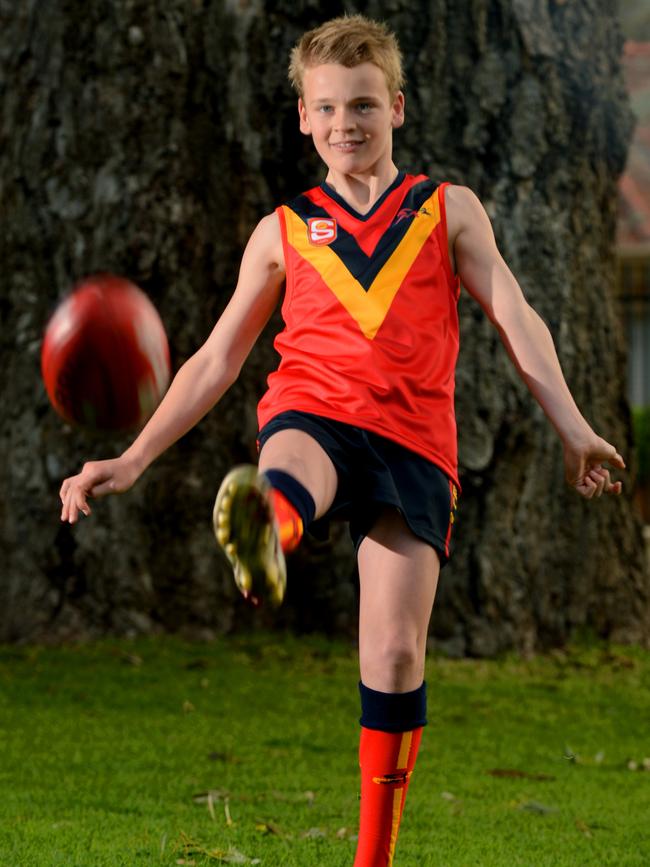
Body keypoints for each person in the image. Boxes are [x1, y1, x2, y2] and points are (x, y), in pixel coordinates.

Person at [59, 14, 625, 866]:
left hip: (414, 444)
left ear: (397, 107)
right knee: (289, 463)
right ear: (303, 118)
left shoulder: (448, 210)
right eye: (326, 109)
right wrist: (132, 457)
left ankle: (372, 859)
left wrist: (575, 428)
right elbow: (215, 359)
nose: (345, 124)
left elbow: (517, 316)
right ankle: (269, 527)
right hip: (313, 412)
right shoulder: (282, 231)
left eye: (363, 106)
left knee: (395, 654)